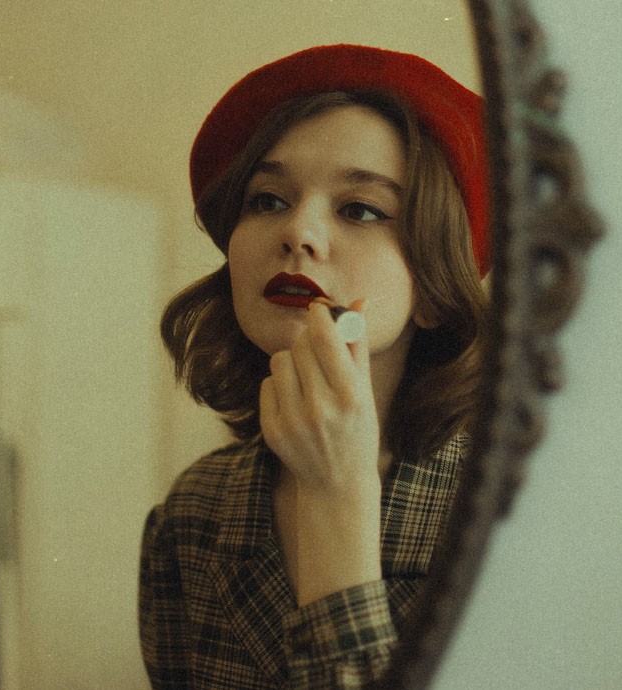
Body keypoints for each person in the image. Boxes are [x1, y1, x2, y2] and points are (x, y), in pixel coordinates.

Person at [138, 44, 490, 689]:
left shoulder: (502, 516)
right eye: (268, 199)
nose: (298, 231)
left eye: (360, 209)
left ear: (436, 291)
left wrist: (336, 499)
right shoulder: (194, 513)